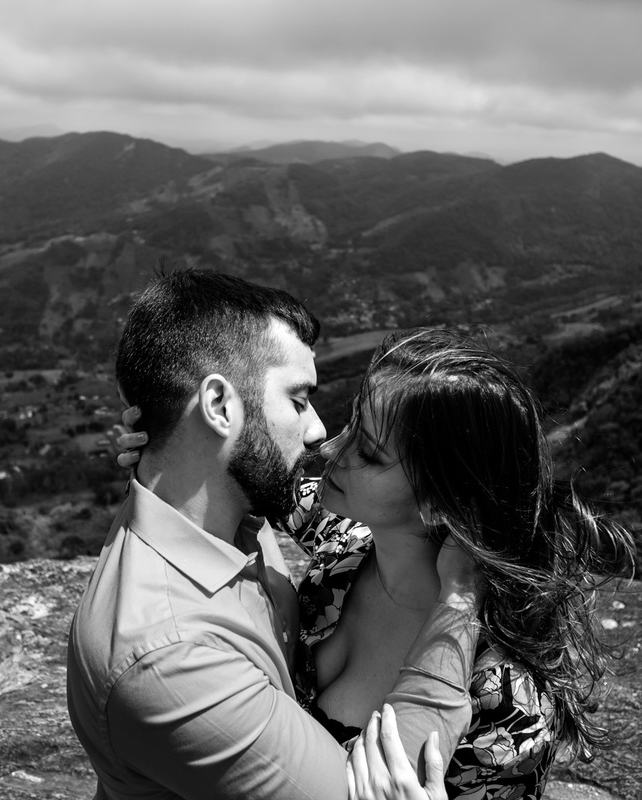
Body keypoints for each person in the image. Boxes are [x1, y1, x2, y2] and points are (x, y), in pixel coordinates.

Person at [118, 326, 636, 799]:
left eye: (368, 452)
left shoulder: (506, 704)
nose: (331, 448)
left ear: (439, 503)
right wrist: (173, 446)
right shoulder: (345, 539)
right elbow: (253, 476)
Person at [66, 270, 485, 800]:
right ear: (219, 408)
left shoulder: (220, 507)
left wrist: (166, 442)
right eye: (298, 399)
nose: (317, 431)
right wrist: (460, 599)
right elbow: (363, 791)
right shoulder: (171, 661)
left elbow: (324, 508)